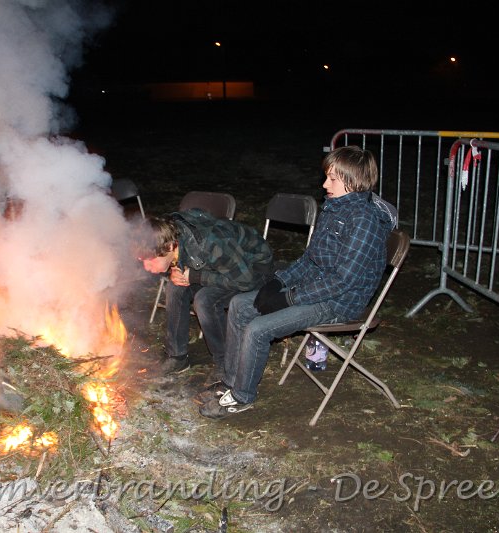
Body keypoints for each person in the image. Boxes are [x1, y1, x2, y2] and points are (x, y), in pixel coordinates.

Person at [198, 145, 398, 419]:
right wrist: (278, 282)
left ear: (353, 182)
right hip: (317, 288)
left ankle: (243, 396)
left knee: (258, 329)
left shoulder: (365, 222)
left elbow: (342, 281)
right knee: (239, 305)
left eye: (332, 179)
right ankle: (232, 382)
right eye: (326, 176)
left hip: (339, 302)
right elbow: (310, 260)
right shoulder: (336, 207)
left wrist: (290, 297)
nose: (324, 183)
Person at [138, 208, 274, 376]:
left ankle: (228, 363)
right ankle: (177, 357)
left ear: (170, 246)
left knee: (204, 300)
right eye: (142, 260)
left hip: (254, 271)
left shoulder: (211, 244)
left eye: (150, 260)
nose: (146, 267)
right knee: (175, 286)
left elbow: (246, 280)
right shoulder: (169, 232)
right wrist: (176, 269)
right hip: (219, 268)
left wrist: (196, 276)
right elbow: (183, 258)